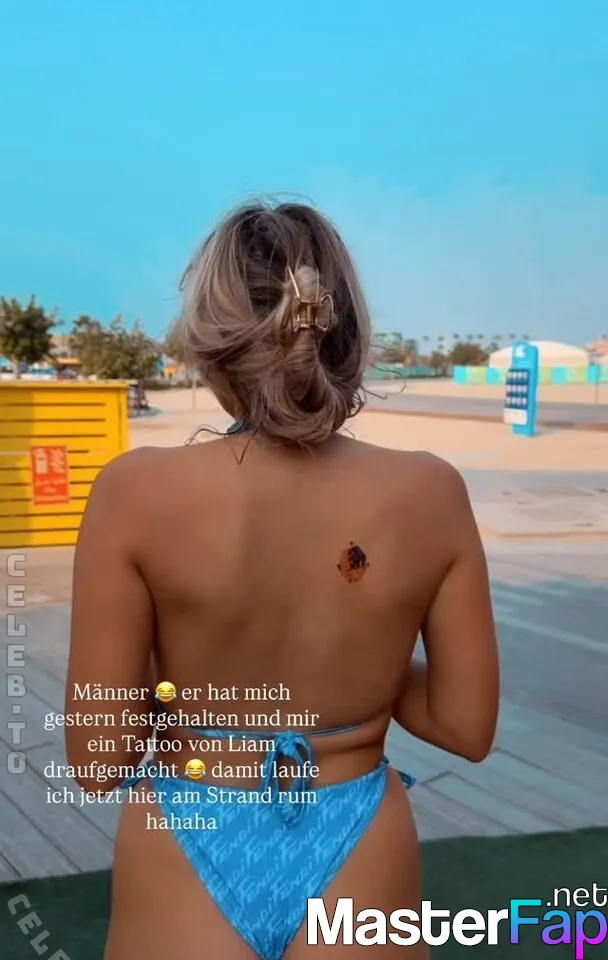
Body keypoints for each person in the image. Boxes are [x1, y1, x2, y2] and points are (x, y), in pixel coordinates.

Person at [65, 200, 499, 959]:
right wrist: (363, 658)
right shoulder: (431, 491)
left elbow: (101, 759)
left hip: (188, 830)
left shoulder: (134, 492)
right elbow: (466, 727)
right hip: (358, 836)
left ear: (213, 352)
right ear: (346, 339)